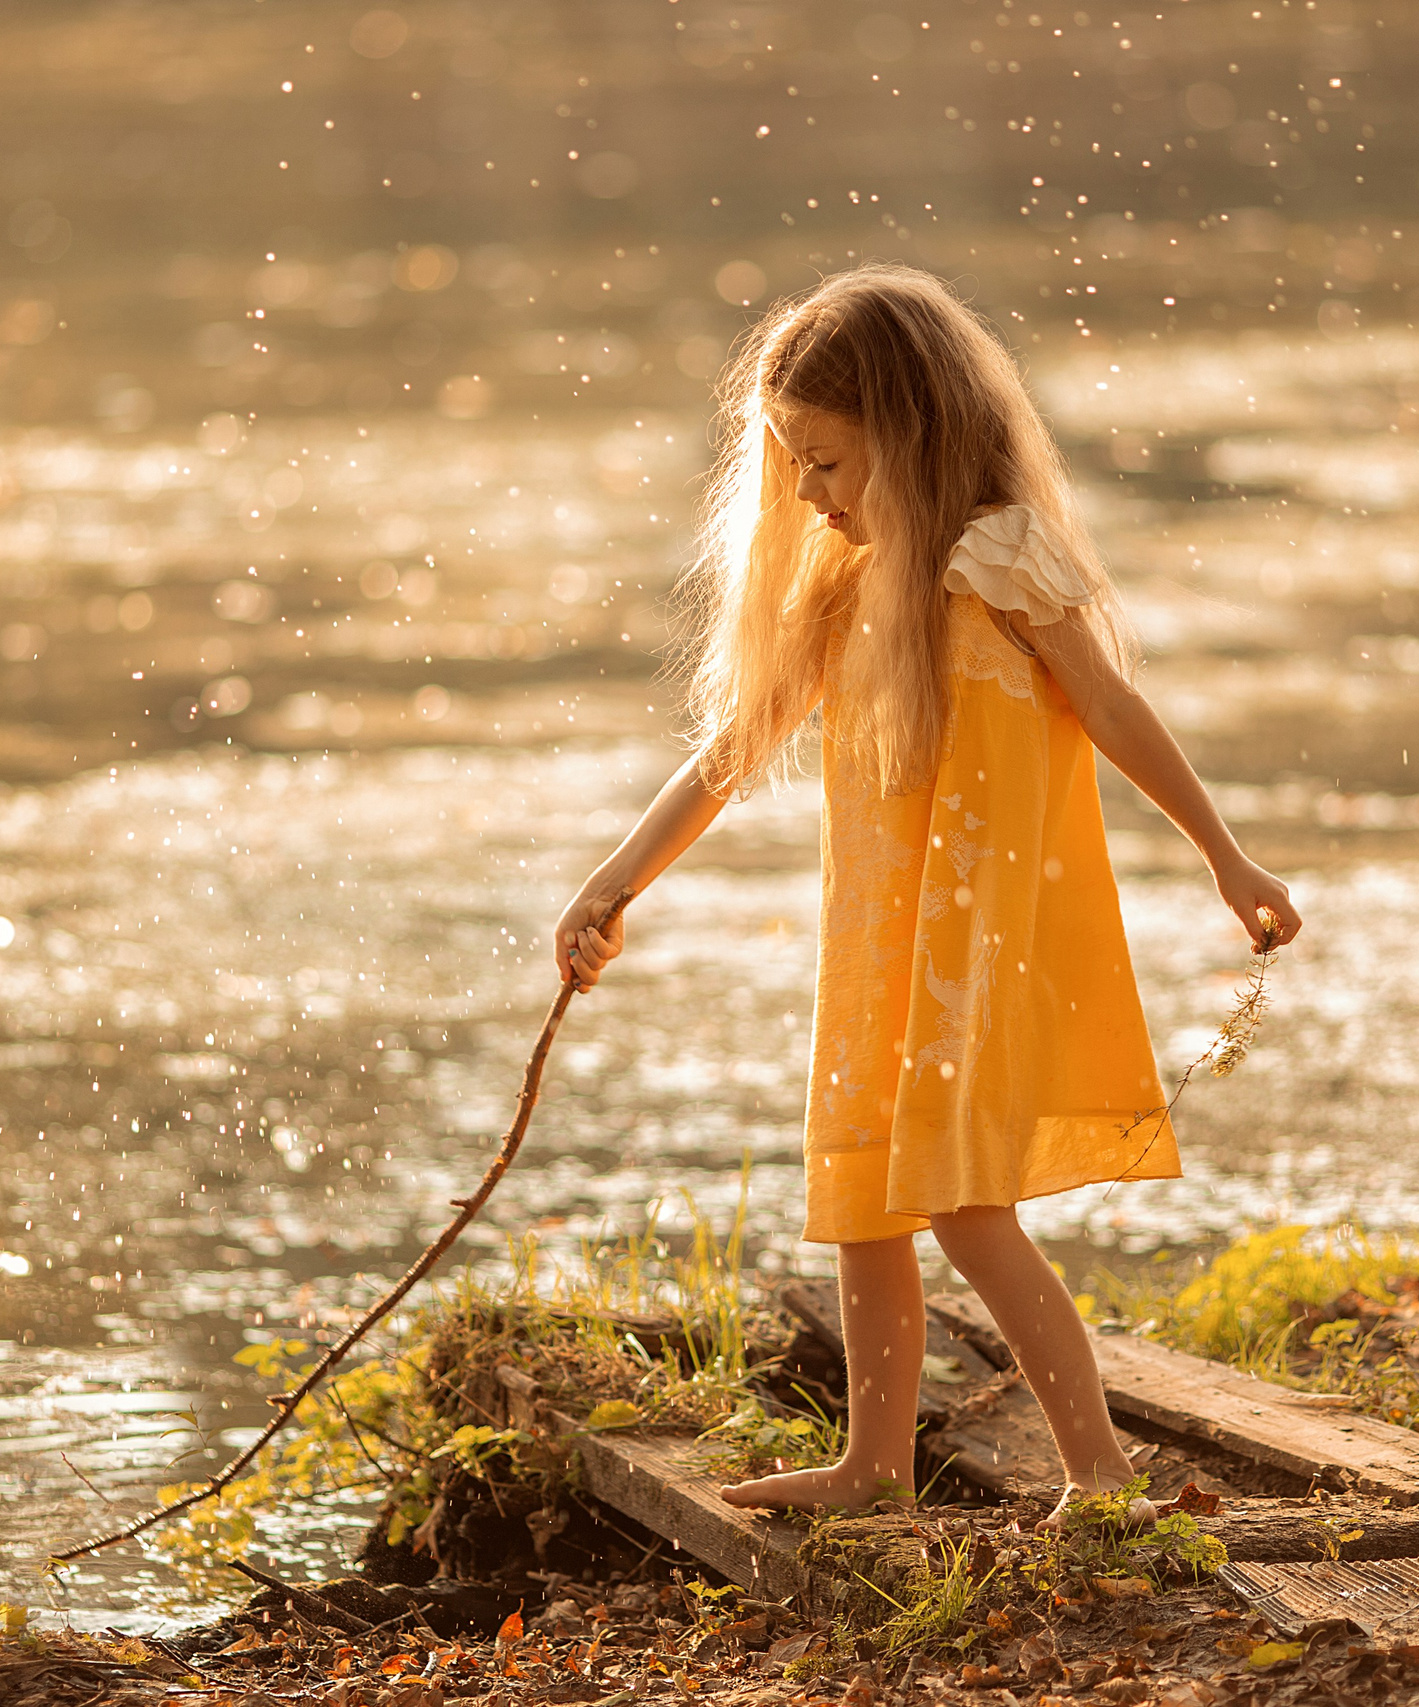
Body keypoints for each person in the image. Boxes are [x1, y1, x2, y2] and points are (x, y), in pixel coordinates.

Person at [551, 264, 1301, 1529]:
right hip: (879, 940)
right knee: (864, 1192)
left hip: (974, 938)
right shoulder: (845, 586)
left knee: (961, 1199)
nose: (805, 491)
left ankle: (1099, 1471)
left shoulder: (999, 555)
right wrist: (614, 881)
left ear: (909, 437)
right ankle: (874, 1465)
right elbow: (730, 752)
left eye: (828, 462)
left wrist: (1228, 857)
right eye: (790, 461)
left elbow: (1114, 707)